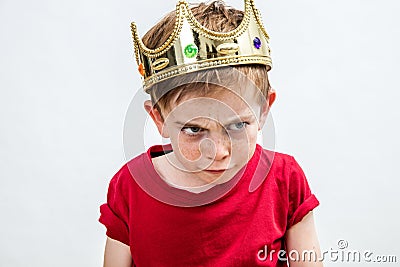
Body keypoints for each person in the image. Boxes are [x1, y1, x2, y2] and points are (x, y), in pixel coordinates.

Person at [99, 0, 323, 266]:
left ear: (264, 111)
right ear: (159, 119)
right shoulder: (130, 188)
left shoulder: (285, 180)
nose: (218, 153)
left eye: (238, 125)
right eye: (194, 129)